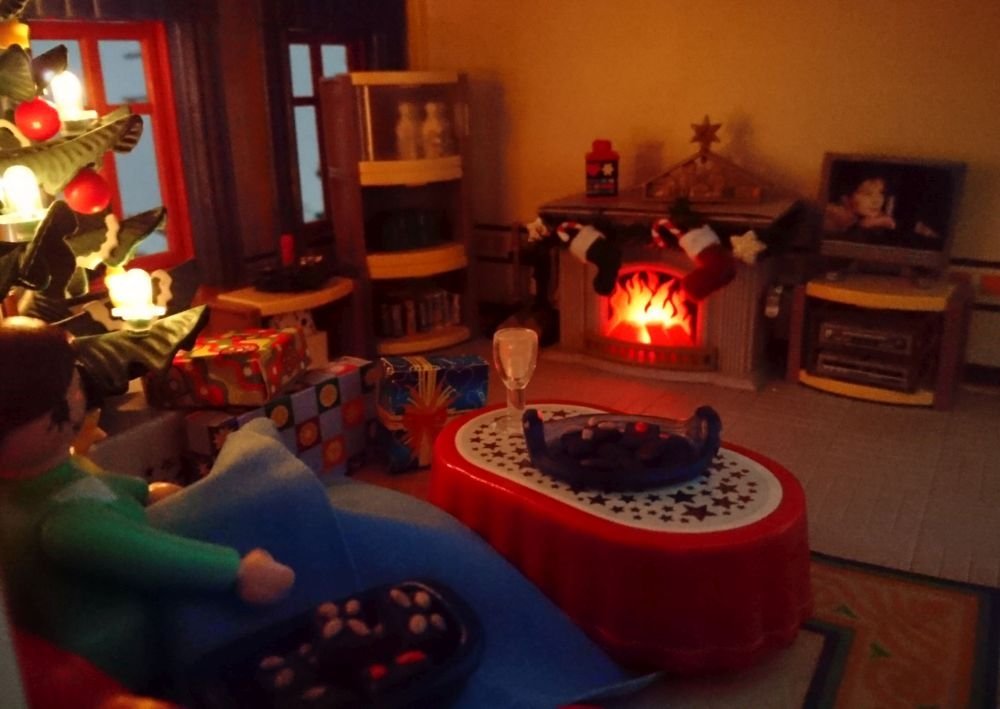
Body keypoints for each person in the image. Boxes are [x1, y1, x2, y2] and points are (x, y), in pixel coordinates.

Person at [0, 316, 295, 691]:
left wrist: (142, 490)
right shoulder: (66, 525)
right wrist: (235, 570)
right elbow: (152, 555)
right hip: (119, 659)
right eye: (71, 387)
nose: (79, 395)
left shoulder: (43, 480)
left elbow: (89, 484)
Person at [823, 173, 897, 233]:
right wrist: (868, 224)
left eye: (881, 193)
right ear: (846, 198)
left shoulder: (860, 215)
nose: (876, 201)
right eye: (867, 194)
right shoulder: (832, 216)